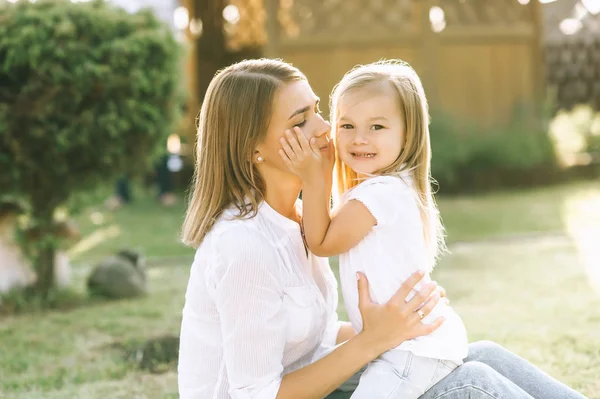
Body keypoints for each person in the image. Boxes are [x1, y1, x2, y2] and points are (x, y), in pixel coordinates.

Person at [177, 58, 586, 399]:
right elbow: (256, 394)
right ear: (253, 149)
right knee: (468, 386)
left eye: (318, 110)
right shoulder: (244, 246)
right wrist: (373, 339)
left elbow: (308, 341)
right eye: (301, 121)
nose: (324, 128)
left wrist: (396, 322)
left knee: (481, 356)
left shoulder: (299, 219)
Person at [278, 60, 466, 399]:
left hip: (413, 350)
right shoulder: (384, 188)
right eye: (347, 125)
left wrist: (313, 176)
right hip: (406, 343)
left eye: (377, 127)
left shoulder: (381, 194)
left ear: (407, 132)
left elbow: (321, 241)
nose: (359, 139)